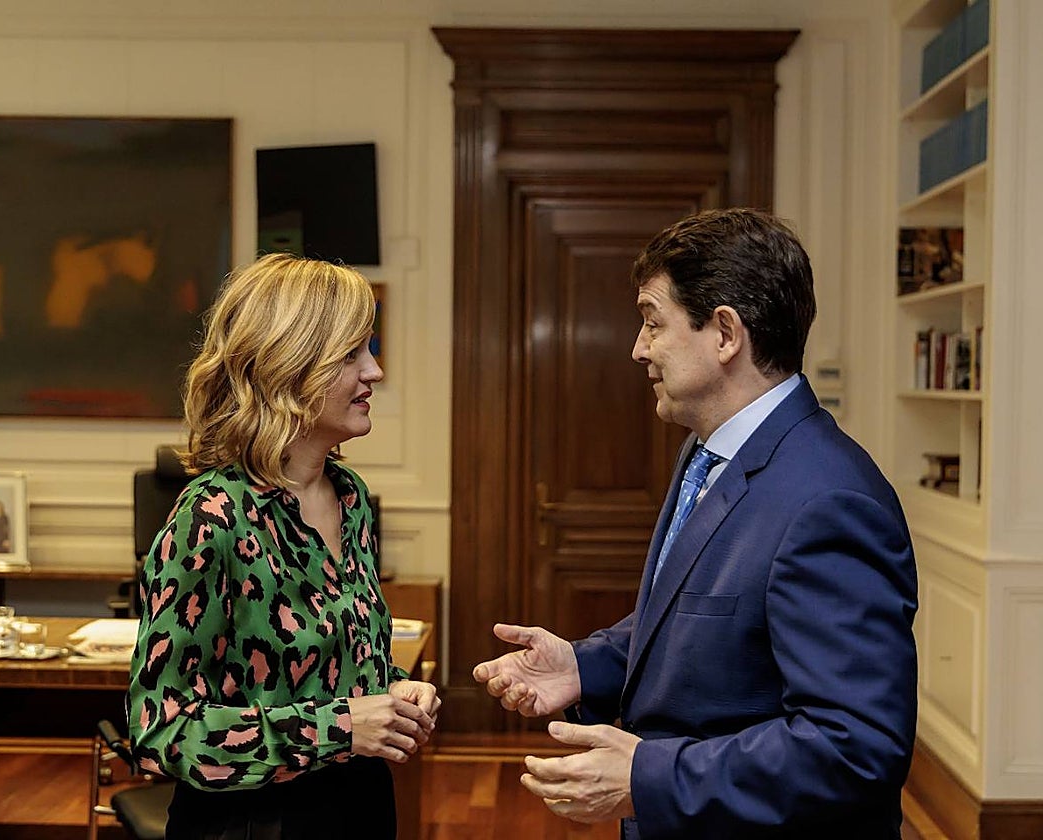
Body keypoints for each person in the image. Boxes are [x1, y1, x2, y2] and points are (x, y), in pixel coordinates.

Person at [473, 208, 917, 839]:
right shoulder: (707, 451)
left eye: (653, 322)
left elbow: (855, 749)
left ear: (726, 334)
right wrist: (583, 665)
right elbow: (706, 616)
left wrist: (647, 776)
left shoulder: (830, 501)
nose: (638, 347)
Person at [128, 253, 440, 840]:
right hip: (252, 822)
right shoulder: (211, 517)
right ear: (288, 367)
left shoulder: (350, 498)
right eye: (352, 354)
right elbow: (161, 731)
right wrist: (342, 728)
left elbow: (331, 669)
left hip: (362, 805)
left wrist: (393, 688)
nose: (374, 371)